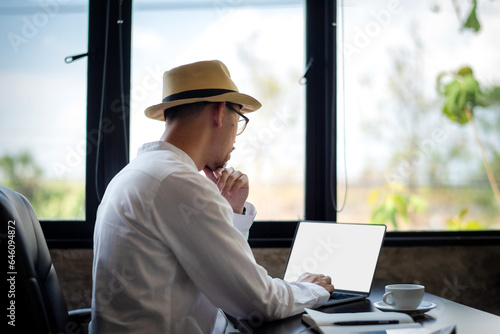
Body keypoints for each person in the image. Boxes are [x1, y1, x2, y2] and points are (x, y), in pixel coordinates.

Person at [90, 60, 334, 334]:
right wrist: (311, 288)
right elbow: (260, 302)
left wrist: (232, 211)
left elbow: (226, 279)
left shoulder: (135, 173)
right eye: (239, 120)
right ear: (220, 112)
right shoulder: (180, 183)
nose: (236, 137)